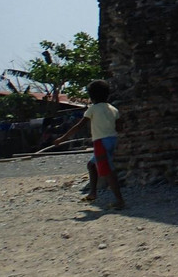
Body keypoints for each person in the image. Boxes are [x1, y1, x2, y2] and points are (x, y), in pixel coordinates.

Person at [52, 80, 126, 210]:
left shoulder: (93, 109)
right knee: (91, 165)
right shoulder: (113, 109)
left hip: (100, 142)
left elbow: (78, 126)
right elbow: (119, 127)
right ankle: (92, 193)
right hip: (111, 140)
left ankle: (119, 201)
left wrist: (62, 139)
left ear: (92, 96)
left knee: (108, 171)